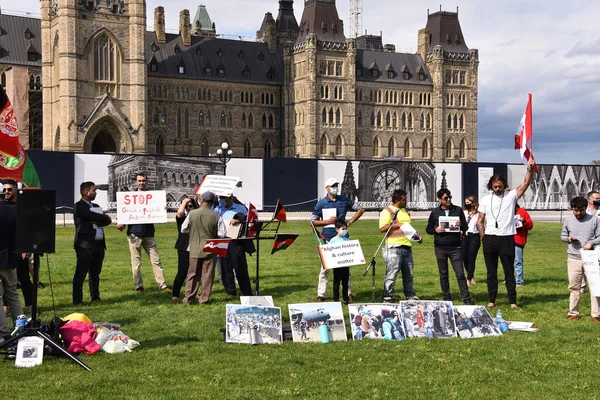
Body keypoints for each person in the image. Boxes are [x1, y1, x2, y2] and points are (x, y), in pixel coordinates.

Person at [477, 156, 536, 309]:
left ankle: (512, 301)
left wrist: (529, 168)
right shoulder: (484, 199)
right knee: (491, 273)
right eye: (495, 186)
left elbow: (525, 184)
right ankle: (492, 300)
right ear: (491, 186)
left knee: (509, 271)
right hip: (490, 239)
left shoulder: (510, 196)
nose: (498, 189)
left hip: (507, 238)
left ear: (504, 185)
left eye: (500, 186)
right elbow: (480, 220)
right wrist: (483, 236)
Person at [311, 177, 364, 302]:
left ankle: (348, 293)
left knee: (345, 268)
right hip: (327, 238)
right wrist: (327, 221)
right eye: (333, 186)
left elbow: (361, 209)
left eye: (336, 185)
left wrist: (350, 222)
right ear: (327, 188)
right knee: (325, 268)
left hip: (343, 239)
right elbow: (312, 222)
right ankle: (321, 294)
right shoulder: (321, 203)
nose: (335, 188)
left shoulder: (344, 200)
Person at [116, 173, 171, 293]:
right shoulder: (130, 197)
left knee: (156, 260)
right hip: (134, 233)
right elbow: (127, 213)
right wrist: (122, 224)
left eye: (143, 181)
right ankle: (138, 286)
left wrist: (163, 209)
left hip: (149, 233)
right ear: (136, 182)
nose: (141, 183)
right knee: (136, 262)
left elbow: (157, 211)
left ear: (147, 181)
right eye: (139, 181)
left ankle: (162, 284)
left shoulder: (153, 197)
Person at [426, 188, 473, 305]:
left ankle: (466, 299)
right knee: (443, 274)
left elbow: (465, 227)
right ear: (439, 199)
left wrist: (461, 225)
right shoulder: (435, 212)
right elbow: (428, 229)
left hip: (455, 247)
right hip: (440, 247)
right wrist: (435, 230)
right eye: (445, 198)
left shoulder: (457, 210)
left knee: (460, 274)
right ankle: (447, 298)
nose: (448, 200)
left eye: (449, 197)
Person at [181, 191, 226, 304]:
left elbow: (183, 229)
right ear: (213, 202)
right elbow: (222, 234)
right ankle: (204, 299)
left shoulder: (192, 213)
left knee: (192, 274)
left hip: (194, 247)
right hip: (210, 248)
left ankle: (188, 297)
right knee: (207, 275)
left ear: (201, 200)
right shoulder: (216, 216)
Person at [560, 196, 600, 321]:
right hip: (573, 258)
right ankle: (573, 312)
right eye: (575, 210)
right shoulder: (568, 220)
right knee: (574, 286)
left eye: (581, 210)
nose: (578, 213)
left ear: (586, 208)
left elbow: (599, 236)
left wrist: (591, 243)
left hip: (590, 257)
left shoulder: (594, 220)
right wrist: (568, 239)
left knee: (594, 286)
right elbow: (562, 235)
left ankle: (596, 314)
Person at [72, 181, 112, 305]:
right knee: (81, 273)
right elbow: (90, 215)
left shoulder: (96, 205)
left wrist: (97, 219)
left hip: (99, 245)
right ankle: (77, 300)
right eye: (93, 190)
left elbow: (107, 220)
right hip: (85, 245)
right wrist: (99, 218)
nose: (95, 193)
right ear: (86, 192)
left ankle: (95, 296)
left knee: (95, 273)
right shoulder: (79, 206)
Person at [379, 189, 421, 303]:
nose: (406, 201)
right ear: (397, 200)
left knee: (409, 273)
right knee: (392, 273)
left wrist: (417, 237)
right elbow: (382, 228)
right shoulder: (387, 211)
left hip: (407, 245)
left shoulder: (405, 211)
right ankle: (387, 296)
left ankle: (410, 295)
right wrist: (396, 224)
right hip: (394, 246)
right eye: (404, 199)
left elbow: (407, 229)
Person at [1, 180, 33, 313]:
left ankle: (31, 306)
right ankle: (5, 307)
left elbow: (28, 230)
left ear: (17, 190)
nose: (7, 192)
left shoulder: (23, 207)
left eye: (10, 189)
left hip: (20, 249)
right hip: (6, 250)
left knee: (24, 277)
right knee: (7, 282)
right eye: (5, 190)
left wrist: (27, 248)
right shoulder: (3, 206)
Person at [214, 194, 254, 296]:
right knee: (225, 267)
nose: (221, 200)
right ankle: (230, 291)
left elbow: (249, 221)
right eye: (220, 198)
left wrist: (239, 220)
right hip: (222, 240)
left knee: (240, 266)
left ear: (230, 198)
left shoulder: (240, 208)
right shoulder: (218, 209)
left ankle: (246, 291)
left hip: (236, 240)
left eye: (223, 198)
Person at [0, 182, 24, 341]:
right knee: (13, 294)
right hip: (9, 257)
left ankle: (3, 333)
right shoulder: (14, 210)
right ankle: (21, 328)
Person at [172, 197, 196, 301]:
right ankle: (175, 294)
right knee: (182, 271)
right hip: (183, 246)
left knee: (194, 272)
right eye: (186, 206)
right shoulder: (182, 218)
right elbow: (179, 214)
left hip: (195, 246)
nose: (188, 208)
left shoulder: (197, 216)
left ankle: (191, 293)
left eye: (190, 206)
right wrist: (184, 202)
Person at [329, 219, 351, 304]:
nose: (344, 231)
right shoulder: (333, 240)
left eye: (345, 229)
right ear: (337, 229)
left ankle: (346, 298)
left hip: (345, 265)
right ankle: (336, 298)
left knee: (345, 283)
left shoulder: (347, 240)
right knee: (336, 282)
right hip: (337, 265)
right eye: (343, 229)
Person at [462, 195, 480, 286]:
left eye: (468, 202)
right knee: (464, 258)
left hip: (474, 237)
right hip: (464, 237)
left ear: (473, 203)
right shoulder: (464, 213)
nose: (466, 204)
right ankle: (471, 275)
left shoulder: (478, 214)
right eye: (465, 202)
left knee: (471, 258)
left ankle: (468, 279)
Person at [514, 203, 533, 286]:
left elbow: (530, 225)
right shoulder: (506, 211)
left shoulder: (522, 212)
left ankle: (519, 280)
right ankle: (509, 278)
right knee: (507, 260)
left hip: (518, 239)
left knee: (518, 261)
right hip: (507, 238)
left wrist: (524, 221)